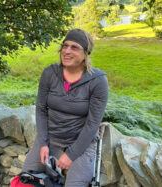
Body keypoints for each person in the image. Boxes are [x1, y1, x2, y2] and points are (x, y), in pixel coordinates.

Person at [22, 28, 109, 187]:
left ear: (86, 53)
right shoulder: (50, 73)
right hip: (51, 139)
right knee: (25, 181)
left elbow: (92, 124)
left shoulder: (98, 81)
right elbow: (41, 109)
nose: (67, 51)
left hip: (81, 145)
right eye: (65, 46)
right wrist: (43, 143)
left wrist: (71, 154)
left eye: (74, 47)